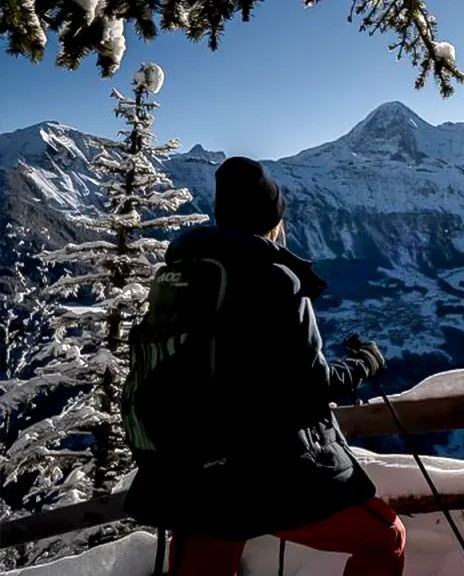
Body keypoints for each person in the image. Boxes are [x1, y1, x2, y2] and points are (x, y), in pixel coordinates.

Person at [122, 156, 405, 576]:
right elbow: (311, 387)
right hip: (265, 481)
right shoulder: (275, 278)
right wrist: (363, 363)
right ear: (273, 219)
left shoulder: (183, 273)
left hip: (186, 478)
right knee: (386, 537)